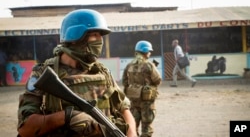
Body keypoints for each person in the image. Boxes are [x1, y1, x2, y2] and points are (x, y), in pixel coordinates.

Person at [17, 9, 137, 137]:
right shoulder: (43, 74)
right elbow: (25, 129)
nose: (100, 41)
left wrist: (131, 133)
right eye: (95, 34)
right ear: (74, 37)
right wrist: (68, 116)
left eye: (100, 36)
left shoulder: (102, 72)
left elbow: (124, 109)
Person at [122, 40, 162, 137]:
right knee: (146, 127)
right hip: (146, 101)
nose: (150, 53)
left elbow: (124, 82)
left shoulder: (129, 65)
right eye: (149, 51)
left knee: (133, 126)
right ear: (145, 52)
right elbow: (157, 80)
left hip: (133, 100)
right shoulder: (148, 65)